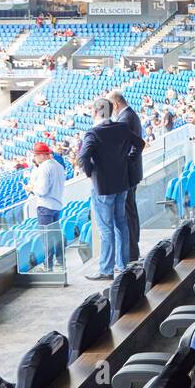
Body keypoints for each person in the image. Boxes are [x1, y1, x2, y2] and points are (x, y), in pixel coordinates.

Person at [78, 97, 143, 281]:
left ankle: (106, 269)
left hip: (104, 188)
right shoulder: (121, 128)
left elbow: (83, 157)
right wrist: (128, 161)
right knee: (121, 224)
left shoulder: (93, 133)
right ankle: (122, 266)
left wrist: (91, 173)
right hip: (122, 184)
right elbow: (140, 144)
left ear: (95, 111)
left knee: (106, 229)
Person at [109, 92, 145, 261]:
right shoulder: (130, 115)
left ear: (115, 104)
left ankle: (131, 251)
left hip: (129, 172)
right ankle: (133, 247)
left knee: (128, 212)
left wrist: (126, 162)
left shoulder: (125, 118)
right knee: (131, 210)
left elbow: (133, 146)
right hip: (133, 171)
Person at [27, 142, 66, 271]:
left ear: (42, 156)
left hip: (45, 206)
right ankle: (61, 260)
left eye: (36, 155)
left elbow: (42, 190)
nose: (35, 158)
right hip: (57, 205)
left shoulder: (44, 167)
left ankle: (48, 265)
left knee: (46, 236)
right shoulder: (59, 166)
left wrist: (31, 188)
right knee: (55, 234)